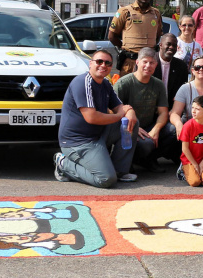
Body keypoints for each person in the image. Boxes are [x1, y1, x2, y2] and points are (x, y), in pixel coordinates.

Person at [54, 50, 139, 188]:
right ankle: (63, 163)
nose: (103, 65)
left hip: (97, 135)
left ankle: (119, 171)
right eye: (99, 61)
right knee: (105, 179)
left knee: (131, 123)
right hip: (78, 142)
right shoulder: (83, 82)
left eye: (107, 63)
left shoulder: (105, 83)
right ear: (90, 64)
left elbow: (119, 106)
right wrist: (119, 115)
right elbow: (91, 117)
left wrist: (130, 111)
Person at [113, 47, 177, 173]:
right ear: (137, 62)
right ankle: (133, 160)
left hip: (148, 127)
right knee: (146, 144)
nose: (148, 66)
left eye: (152, 63)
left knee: (173, 131)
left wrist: (156, 130)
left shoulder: (158, 84)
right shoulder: (123, 83)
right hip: (127, 128)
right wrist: (134, 127)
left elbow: (163, 112)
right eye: (145, 62)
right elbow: (113, 112)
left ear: (156, 65)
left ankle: (149, 159)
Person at [108, 0, 163, 76]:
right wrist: (125, 48)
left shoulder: (156, 13)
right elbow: (112, 36)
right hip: (130, 62)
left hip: (148, 63)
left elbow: (157, 36)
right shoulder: (124, 11)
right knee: (127, 89)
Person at [177, 95, 203, 187]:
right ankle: (183, 169)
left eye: (197, 109)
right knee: (195, 182)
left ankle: (200, 170)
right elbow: (185, 149)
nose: (193, 111)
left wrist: (202, 164)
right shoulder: (188, 126)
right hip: (189, 159)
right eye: (192, 108)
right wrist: (195, 164)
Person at [153, 33, 189, 109]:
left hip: (171, 108)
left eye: (174, 45)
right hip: (150, 106)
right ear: (161, 45)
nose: (171, 47)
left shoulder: (181, 66)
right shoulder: (149, 62)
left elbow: (183, 90)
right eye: (168, 44)